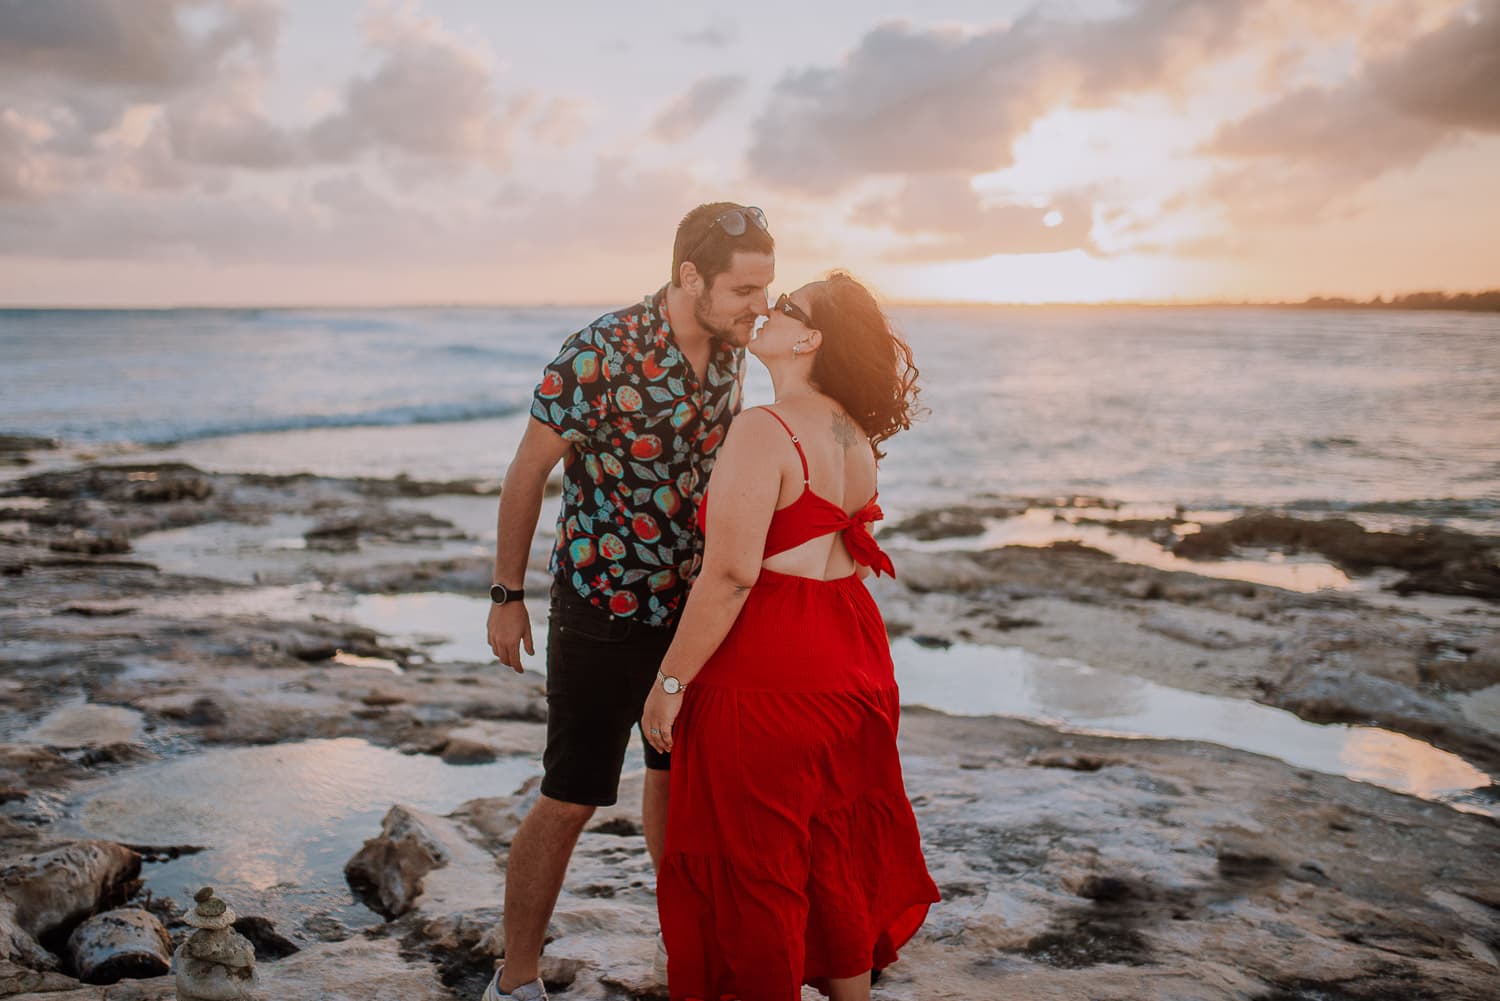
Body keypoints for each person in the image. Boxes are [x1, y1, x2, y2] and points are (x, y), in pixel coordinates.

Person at [482, 203, 775, 1001]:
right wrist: (507, 595)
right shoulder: (598, 351)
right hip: (599, 608)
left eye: (767, 288)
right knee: (571, 794)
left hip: (693, 615)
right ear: (690, 276)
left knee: (680, 786)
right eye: (745, 287)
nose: (761, 304)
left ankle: (687, 953)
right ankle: (515, 978)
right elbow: (526, 471)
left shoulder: (733, 350)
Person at [641, 272, 939, 1001]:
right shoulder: (854, 434)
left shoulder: (763, 429)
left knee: (757, 868)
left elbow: (733, 574)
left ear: (810, 338)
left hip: (770, 669)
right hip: (854, 659)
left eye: (787, 306)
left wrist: (669, 682)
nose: (767, 312)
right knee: (833, 850)